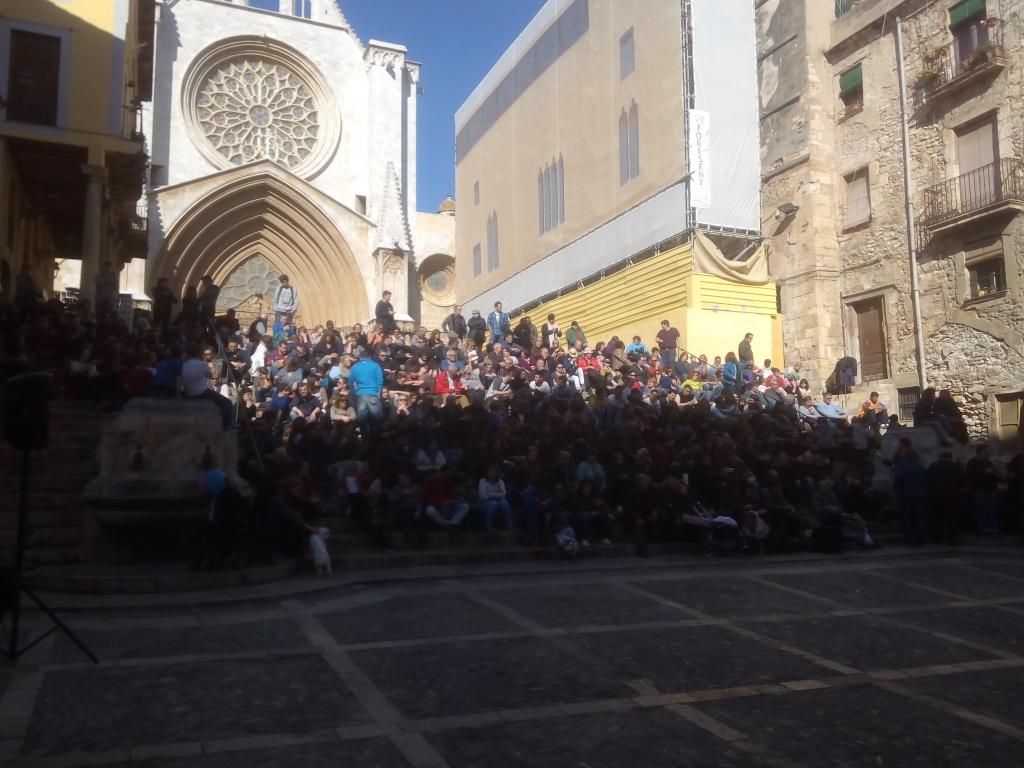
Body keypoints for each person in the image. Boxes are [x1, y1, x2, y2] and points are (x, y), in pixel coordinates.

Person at [181, 343, 234, 428]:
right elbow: (211, 376)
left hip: (188, 392)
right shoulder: (202, 364)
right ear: (200, 354)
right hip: (201, 392)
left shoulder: (185, 364)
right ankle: (226, 425)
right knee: (227, 403)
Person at [966, 444, 999, 535]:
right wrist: (985, 472)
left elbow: (994, 476)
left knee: (992, 509)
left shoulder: (989, 463)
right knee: (981, 509)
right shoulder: (972, 462)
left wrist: (996, 473)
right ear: (982, 451)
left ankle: (993, 528)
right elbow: (970, 476)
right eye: (987, 451)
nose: (989, 453)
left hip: (991, 488)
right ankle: (984, 528)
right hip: (979, 489)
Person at [349, 348, 384, 431]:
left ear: (360, 357)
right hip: (374, 394)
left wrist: (355, 392)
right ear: (370, 357)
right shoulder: (376, 365)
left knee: (362, 420)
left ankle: (364, 439)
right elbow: (380, 380)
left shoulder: (354, 367)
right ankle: (377, 439)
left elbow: (350, 383)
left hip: (361, 394)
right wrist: (378, 391)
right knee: (378, 420)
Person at [478, 463, 512, 532]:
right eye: (490, 471)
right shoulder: (482, 481)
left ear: (497, 473)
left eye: (494, 471)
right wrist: (496, 495)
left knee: (504, 503)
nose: (491, 473)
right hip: (484, 504)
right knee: (493, 503)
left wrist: (490, 494)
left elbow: (503, 495)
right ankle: (488, 525)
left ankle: (509, 525)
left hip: (499, 502)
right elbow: (482, 496)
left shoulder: (500, 482)